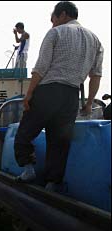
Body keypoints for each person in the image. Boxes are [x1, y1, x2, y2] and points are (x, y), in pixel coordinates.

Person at [14, 1, 103, 192]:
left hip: (48, 91)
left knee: (24, 132)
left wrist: (29, 94)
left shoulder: (56, 33)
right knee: (59, 142)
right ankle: (52, 184)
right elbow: (96, 75)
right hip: (71, 95)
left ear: (62, 15)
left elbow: (41, 67)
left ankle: (28, 169)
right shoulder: (95, 40)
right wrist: (88, 104)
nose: (52, 23)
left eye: (53, 19)